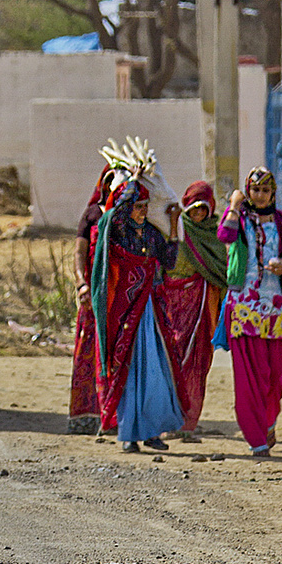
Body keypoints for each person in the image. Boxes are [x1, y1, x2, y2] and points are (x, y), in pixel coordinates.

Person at [91, 179, 185, 453]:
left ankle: (153, 432)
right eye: (137, 207)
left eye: (146, 206)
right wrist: (134, 179)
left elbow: (168, 260)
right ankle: (129, 435)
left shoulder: (152, 234)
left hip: (151, 313)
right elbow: (114, 216)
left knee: (155, 372)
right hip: (126, 313)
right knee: (129, 373)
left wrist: (173, 226)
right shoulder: (118, 234)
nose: (143, 212)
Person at [217, 166, 282, 456]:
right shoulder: (240, 221)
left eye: (265, 190)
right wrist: (233, 206)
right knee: (249, 377)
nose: (260, 195)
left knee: (275, 375)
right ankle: (257, 441)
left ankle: (268, 421)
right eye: (255, 190)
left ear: (273, 193)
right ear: (248, 191)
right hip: (243, 307)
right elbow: (224, 236)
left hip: (276, 307)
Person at [161, 181, 228, 441]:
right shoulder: (176, 229)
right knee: (171, 359)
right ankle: (168, 417)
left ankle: (189, 420)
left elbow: (221, 271)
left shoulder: (216, 235)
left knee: (197, 363)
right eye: (194, 209)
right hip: (171, 306)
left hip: (202, 308)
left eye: (203, 209)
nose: (198, 214)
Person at [69, 163, 116, 434]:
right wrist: (81, 284)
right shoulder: (93, 214)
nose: (112, 187)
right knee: (88, 351)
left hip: (120, 297)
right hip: (94, 296)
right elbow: (78, 253)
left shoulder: (129, 216)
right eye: (109, 181)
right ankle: (86, 415)